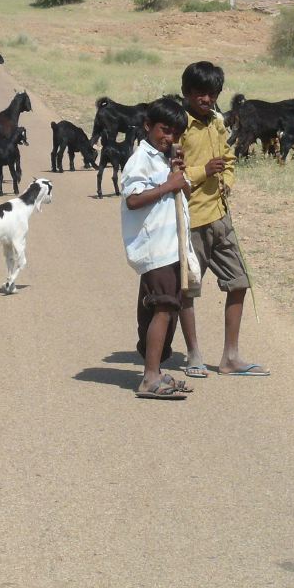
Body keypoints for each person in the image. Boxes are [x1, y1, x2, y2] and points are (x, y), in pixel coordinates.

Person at [177, 61, 269, 377]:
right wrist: (204, 172)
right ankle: (193, 356)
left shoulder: (217, 121)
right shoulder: (179, 126)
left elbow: (228, 160)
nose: (206, 99)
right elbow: (170, 176)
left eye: (212, 93)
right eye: (199, 93)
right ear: (187, 93)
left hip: (220, 217)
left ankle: (230, 357)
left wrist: (227, 180)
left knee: (239, 282)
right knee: (187, 289)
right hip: (190, 221)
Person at [120, 97, 199, 399]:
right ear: (147, 126)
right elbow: (133, 199)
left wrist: (177, 175)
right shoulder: (139, 160)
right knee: (164, 307)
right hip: (155, 248)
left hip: (172, 246)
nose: (170, 138)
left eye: (176, 134)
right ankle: (150, 378)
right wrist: (168, 185)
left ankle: (156, 371)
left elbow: (184, 194)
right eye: (164, 131)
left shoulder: (164, 160)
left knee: (168, 308)